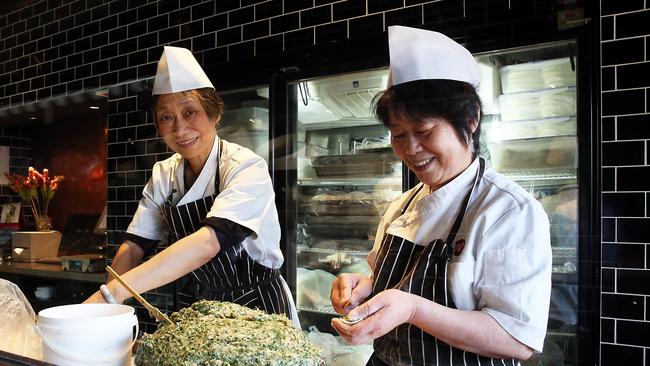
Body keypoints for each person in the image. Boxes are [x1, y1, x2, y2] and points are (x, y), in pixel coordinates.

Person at [330, 26, 552, 365]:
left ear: (471, 119)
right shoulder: (401, 206)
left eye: (423, 131)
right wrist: (363, 288)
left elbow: (516, 339)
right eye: (398, 134)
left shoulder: (508, 210)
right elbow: (387, 280)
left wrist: (413, 308)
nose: (410, 149)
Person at [85, 46, 298, 325]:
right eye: (166, 117)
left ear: (214, 113)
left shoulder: (245, 167)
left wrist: (113, 293)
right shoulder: (164, 174)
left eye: (190, 112)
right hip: (200, 311)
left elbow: (208, 243)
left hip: (257, 309)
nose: (180, 129)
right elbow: (135, 246)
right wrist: (105, 306)